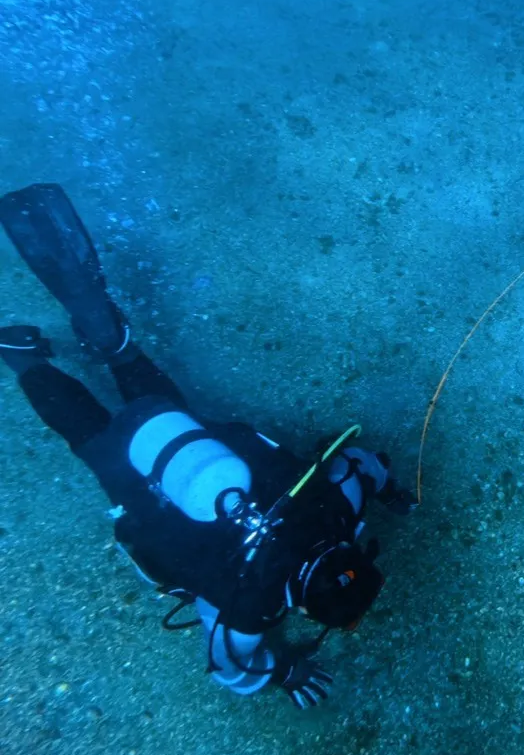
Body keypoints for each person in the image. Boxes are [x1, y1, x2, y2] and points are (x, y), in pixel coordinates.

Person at [0, 183, 417, 708]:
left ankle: (112, 341)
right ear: (305, 613)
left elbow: (359, 464)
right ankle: (23, 359)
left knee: (157, 402)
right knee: (90, 435)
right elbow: (230, 664)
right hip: (140, 479)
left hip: (190, 437)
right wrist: (283, 672)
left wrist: (389, 488)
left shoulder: (335, 511)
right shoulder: (249, 607)